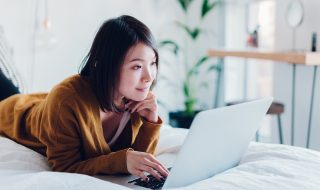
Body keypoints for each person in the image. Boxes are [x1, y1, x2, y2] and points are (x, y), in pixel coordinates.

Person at [0, 15, 169, 181]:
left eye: (153, 63)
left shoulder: (137, 99)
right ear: (107, 65)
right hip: (10, 111)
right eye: (137, 66)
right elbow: (64, 167)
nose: (149, 77)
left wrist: (150, 122)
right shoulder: (66, 100)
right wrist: (120, 160)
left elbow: (140, 161)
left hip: (45, 103)